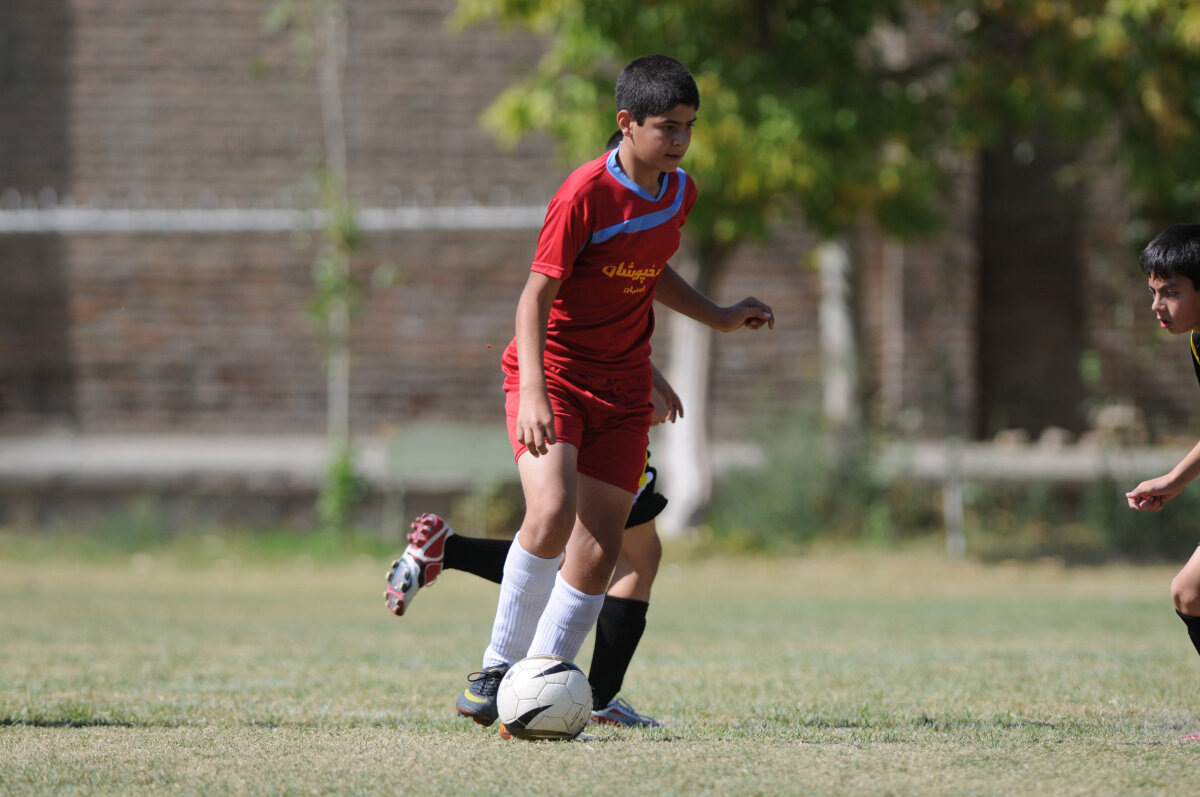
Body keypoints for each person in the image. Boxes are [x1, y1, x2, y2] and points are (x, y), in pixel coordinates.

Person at [448, 54, 774, 730]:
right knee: (551, 510)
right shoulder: (584, 194)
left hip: (623, 387)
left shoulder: (678, 192)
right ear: (626, 122)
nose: (680, 140)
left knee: (599, 550)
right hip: (556, 374)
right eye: (666, 127)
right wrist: (533, 392)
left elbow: (646, 270)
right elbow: (535, 298)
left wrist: (715, 317)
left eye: (689, 126)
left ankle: (537, 689)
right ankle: (497, 668)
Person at [385, 375, 681, 728]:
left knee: (608, 553)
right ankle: (579, 697)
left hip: (575, 390)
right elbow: (603, 337)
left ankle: (449, 551)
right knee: (610, 557)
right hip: (602, 396)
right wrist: (646, 380)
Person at [1126, 222, 1200, 740]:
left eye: (1171, 292)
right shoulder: (1198, 341)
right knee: (1190, 593)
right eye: (1154, 291)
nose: (1158, 305)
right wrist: (1175, 481)